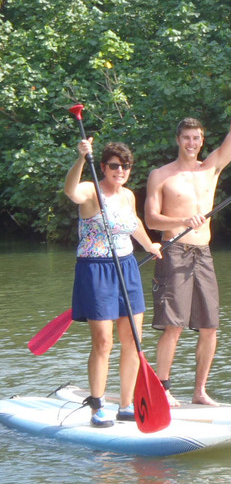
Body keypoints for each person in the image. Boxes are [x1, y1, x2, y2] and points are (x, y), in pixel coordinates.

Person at [145, 77, 231, 406]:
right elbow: (150, 219)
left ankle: (199, 391)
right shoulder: (161, 175)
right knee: (173, 327)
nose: (192, 143)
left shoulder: (211, 169)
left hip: (203, 254)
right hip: (174, 251)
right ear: (178, 140)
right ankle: (163, 389)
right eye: (187, 138)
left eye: (197, 138)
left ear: (202, 140)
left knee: (210, 328)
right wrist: (180, 220)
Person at [64, 138, 162, 426]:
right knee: (104, 342)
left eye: (126, 166)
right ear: (104, 167)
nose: (121, 171)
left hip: (127, 267)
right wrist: (82, 158)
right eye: (115, 166)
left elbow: (135, 223)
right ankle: (98, 405)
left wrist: (150, 246)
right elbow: (70, 191)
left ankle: (127, 404)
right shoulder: (91, 189)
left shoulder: (129, 196)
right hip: (95, 269)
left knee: (132, 338)